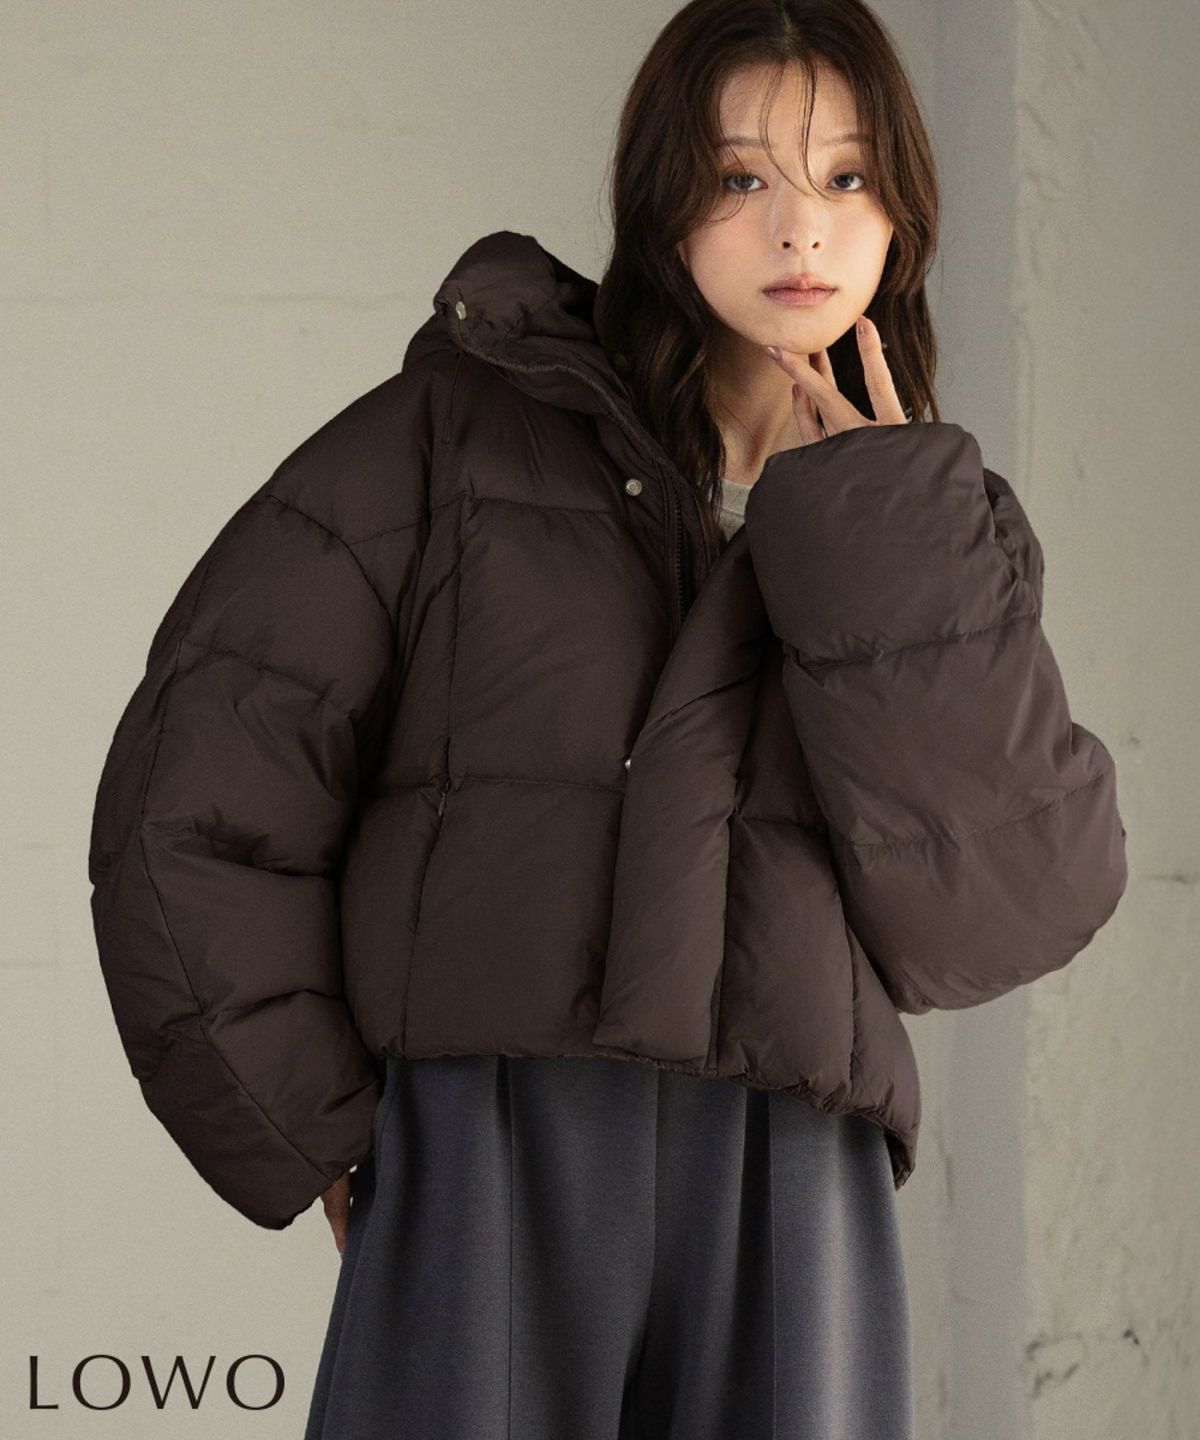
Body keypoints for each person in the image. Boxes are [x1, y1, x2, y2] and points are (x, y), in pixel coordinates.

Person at [86, 1, 1128, 1437]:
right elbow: (193, 793)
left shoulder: (939, 529)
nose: (801, 229)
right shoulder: (450, 441)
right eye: (740, 176)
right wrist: (312, 1127)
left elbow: (1003, 911)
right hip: (489, 1146)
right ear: (662, 199)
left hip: (793, 1175)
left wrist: (882, 530)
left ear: (903, 214)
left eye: (846, 176)